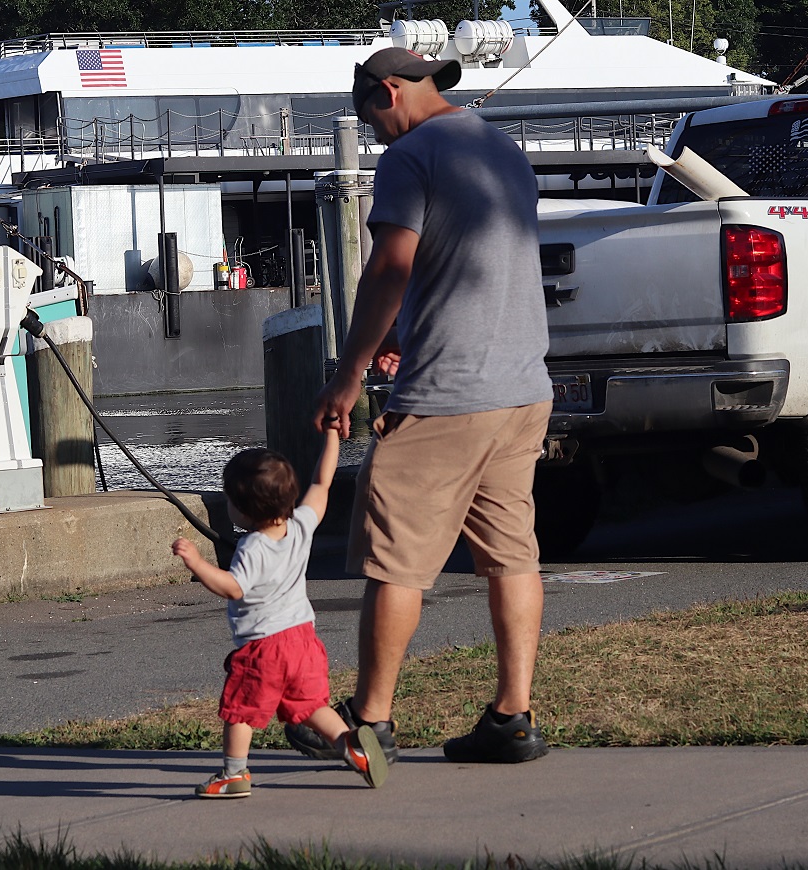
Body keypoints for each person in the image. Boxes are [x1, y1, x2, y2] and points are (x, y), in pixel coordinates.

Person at [286, 47, 554, 765]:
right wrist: (404, 334)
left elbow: (391, 267)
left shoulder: (410, 156)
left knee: (395, 560)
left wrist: (349, 374)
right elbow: (471, 264)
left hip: (449, 395)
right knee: (511, 555)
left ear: (388, 93)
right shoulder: (501, 149)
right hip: (522, 387)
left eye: (368, 117)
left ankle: (370, 721)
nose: (373, 133)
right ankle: (513, 717)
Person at [171, 429, 389, 798]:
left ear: (242, 509)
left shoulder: (253, 547)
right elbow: (321, 482)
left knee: (240, 710)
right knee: (310, 706)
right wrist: (332, 436)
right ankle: (348, 742)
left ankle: (234, 774)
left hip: (265, 647)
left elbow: (233, 587)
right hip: (303, 640)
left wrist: (196, 562)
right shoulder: (300, 526)